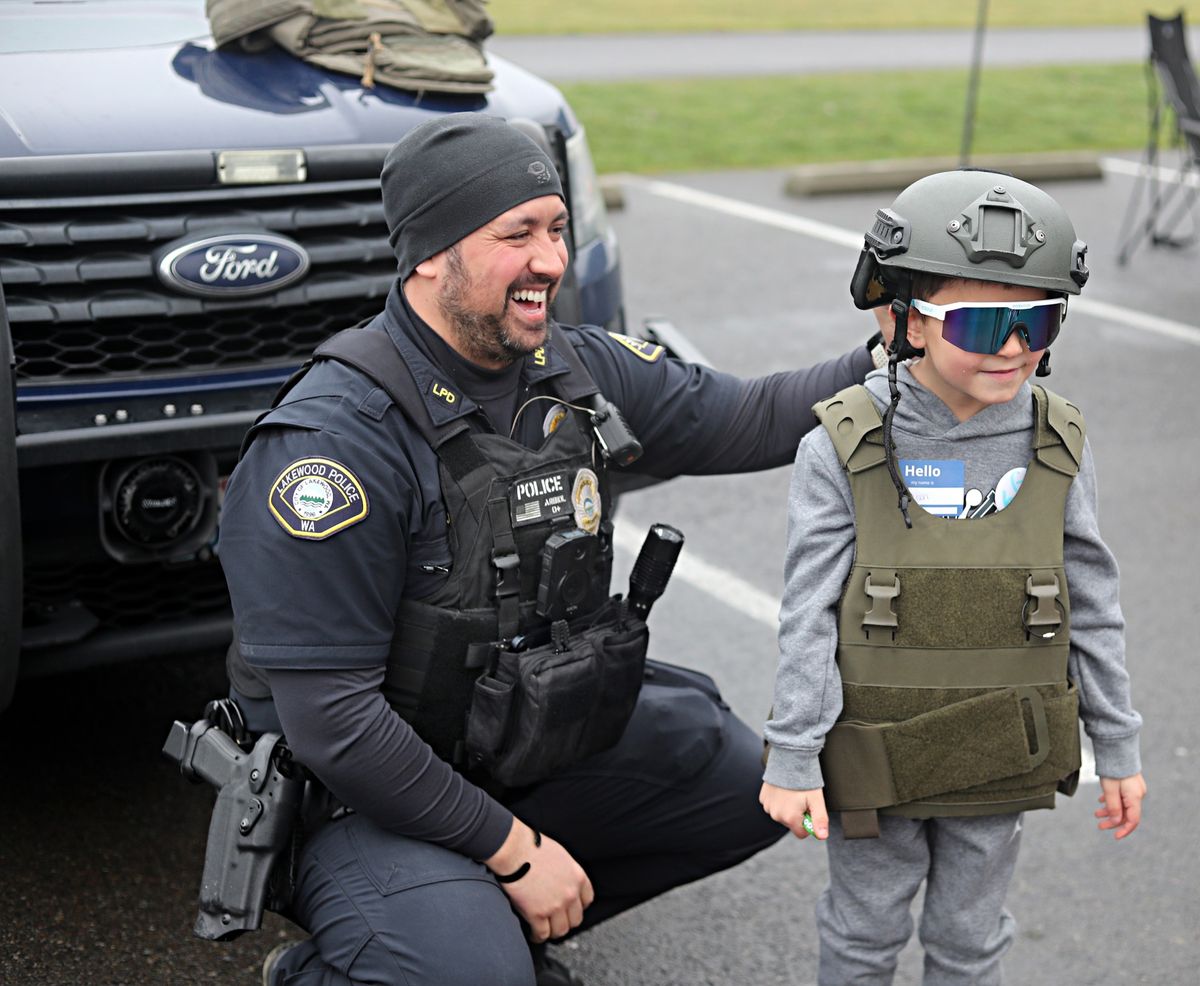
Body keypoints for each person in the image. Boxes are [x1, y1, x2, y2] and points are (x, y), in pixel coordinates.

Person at [214, 112, 887, 986]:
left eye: (559, 227)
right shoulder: (332, 446)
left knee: (742, 782)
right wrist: (515, 851)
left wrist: (896, 360)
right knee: (468, 970)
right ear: (428, 253)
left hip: (513, 735)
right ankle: (370, 963)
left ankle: (489, 936)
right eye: (516, 234)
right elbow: (335, 726)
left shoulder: (573, 370)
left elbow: (750, 418)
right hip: (363, 796)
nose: (551, 260)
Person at [759, 169, 1147, 986]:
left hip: (1000, 756)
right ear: (899, 318)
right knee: (861, 937)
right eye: (982, 323)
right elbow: (808, 612)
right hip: (874, 758)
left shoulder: (1059, 442)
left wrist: (1118, 743)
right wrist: (792, 755)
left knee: (972, 943)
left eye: (1036, 320)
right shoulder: (842, 443)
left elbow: (1095, 606)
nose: (1013, 347)